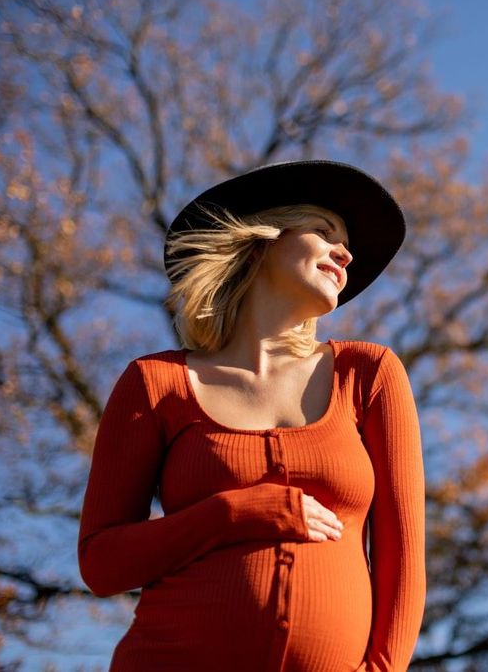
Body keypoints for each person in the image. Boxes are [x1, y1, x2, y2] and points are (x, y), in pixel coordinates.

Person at [76, 160, 427, 671]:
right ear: (261, 240)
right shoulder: (155, 383)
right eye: (323, 231)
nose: (346, 252)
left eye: (346, 242)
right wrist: (231, 514)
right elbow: (102, 562)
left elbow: (405, 559)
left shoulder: (368, 373)